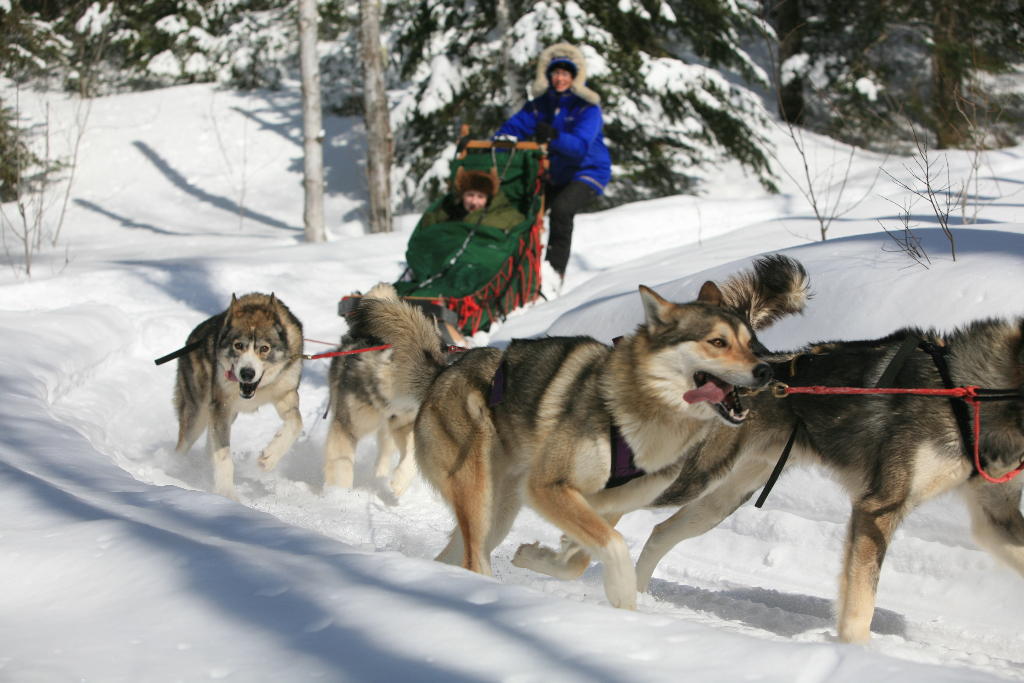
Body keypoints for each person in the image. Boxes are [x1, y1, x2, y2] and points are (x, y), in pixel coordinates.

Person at [495, 42, 612, 297]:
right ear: (547, 75)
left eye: (566, 73)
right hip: (555, 173)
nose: (560, 78)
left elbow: (579, 147)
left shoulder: (587, 108)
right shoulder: (539, 106)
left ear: (575, 77)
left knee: (561, 210)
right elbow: (511, 129)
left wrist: (553, 136)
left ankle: (553, 275)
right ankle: (516, 268)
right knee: (524, 208)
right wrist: (496, 144)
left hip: (587, 170)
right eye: (556, 73)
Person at [420, 167, 525, 232]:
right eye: (470, 195)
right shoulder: (449, 212)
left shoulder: (504, 214)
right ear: (462, 196)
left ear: (488, 199)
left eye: (480, 197)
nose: (474, 202)